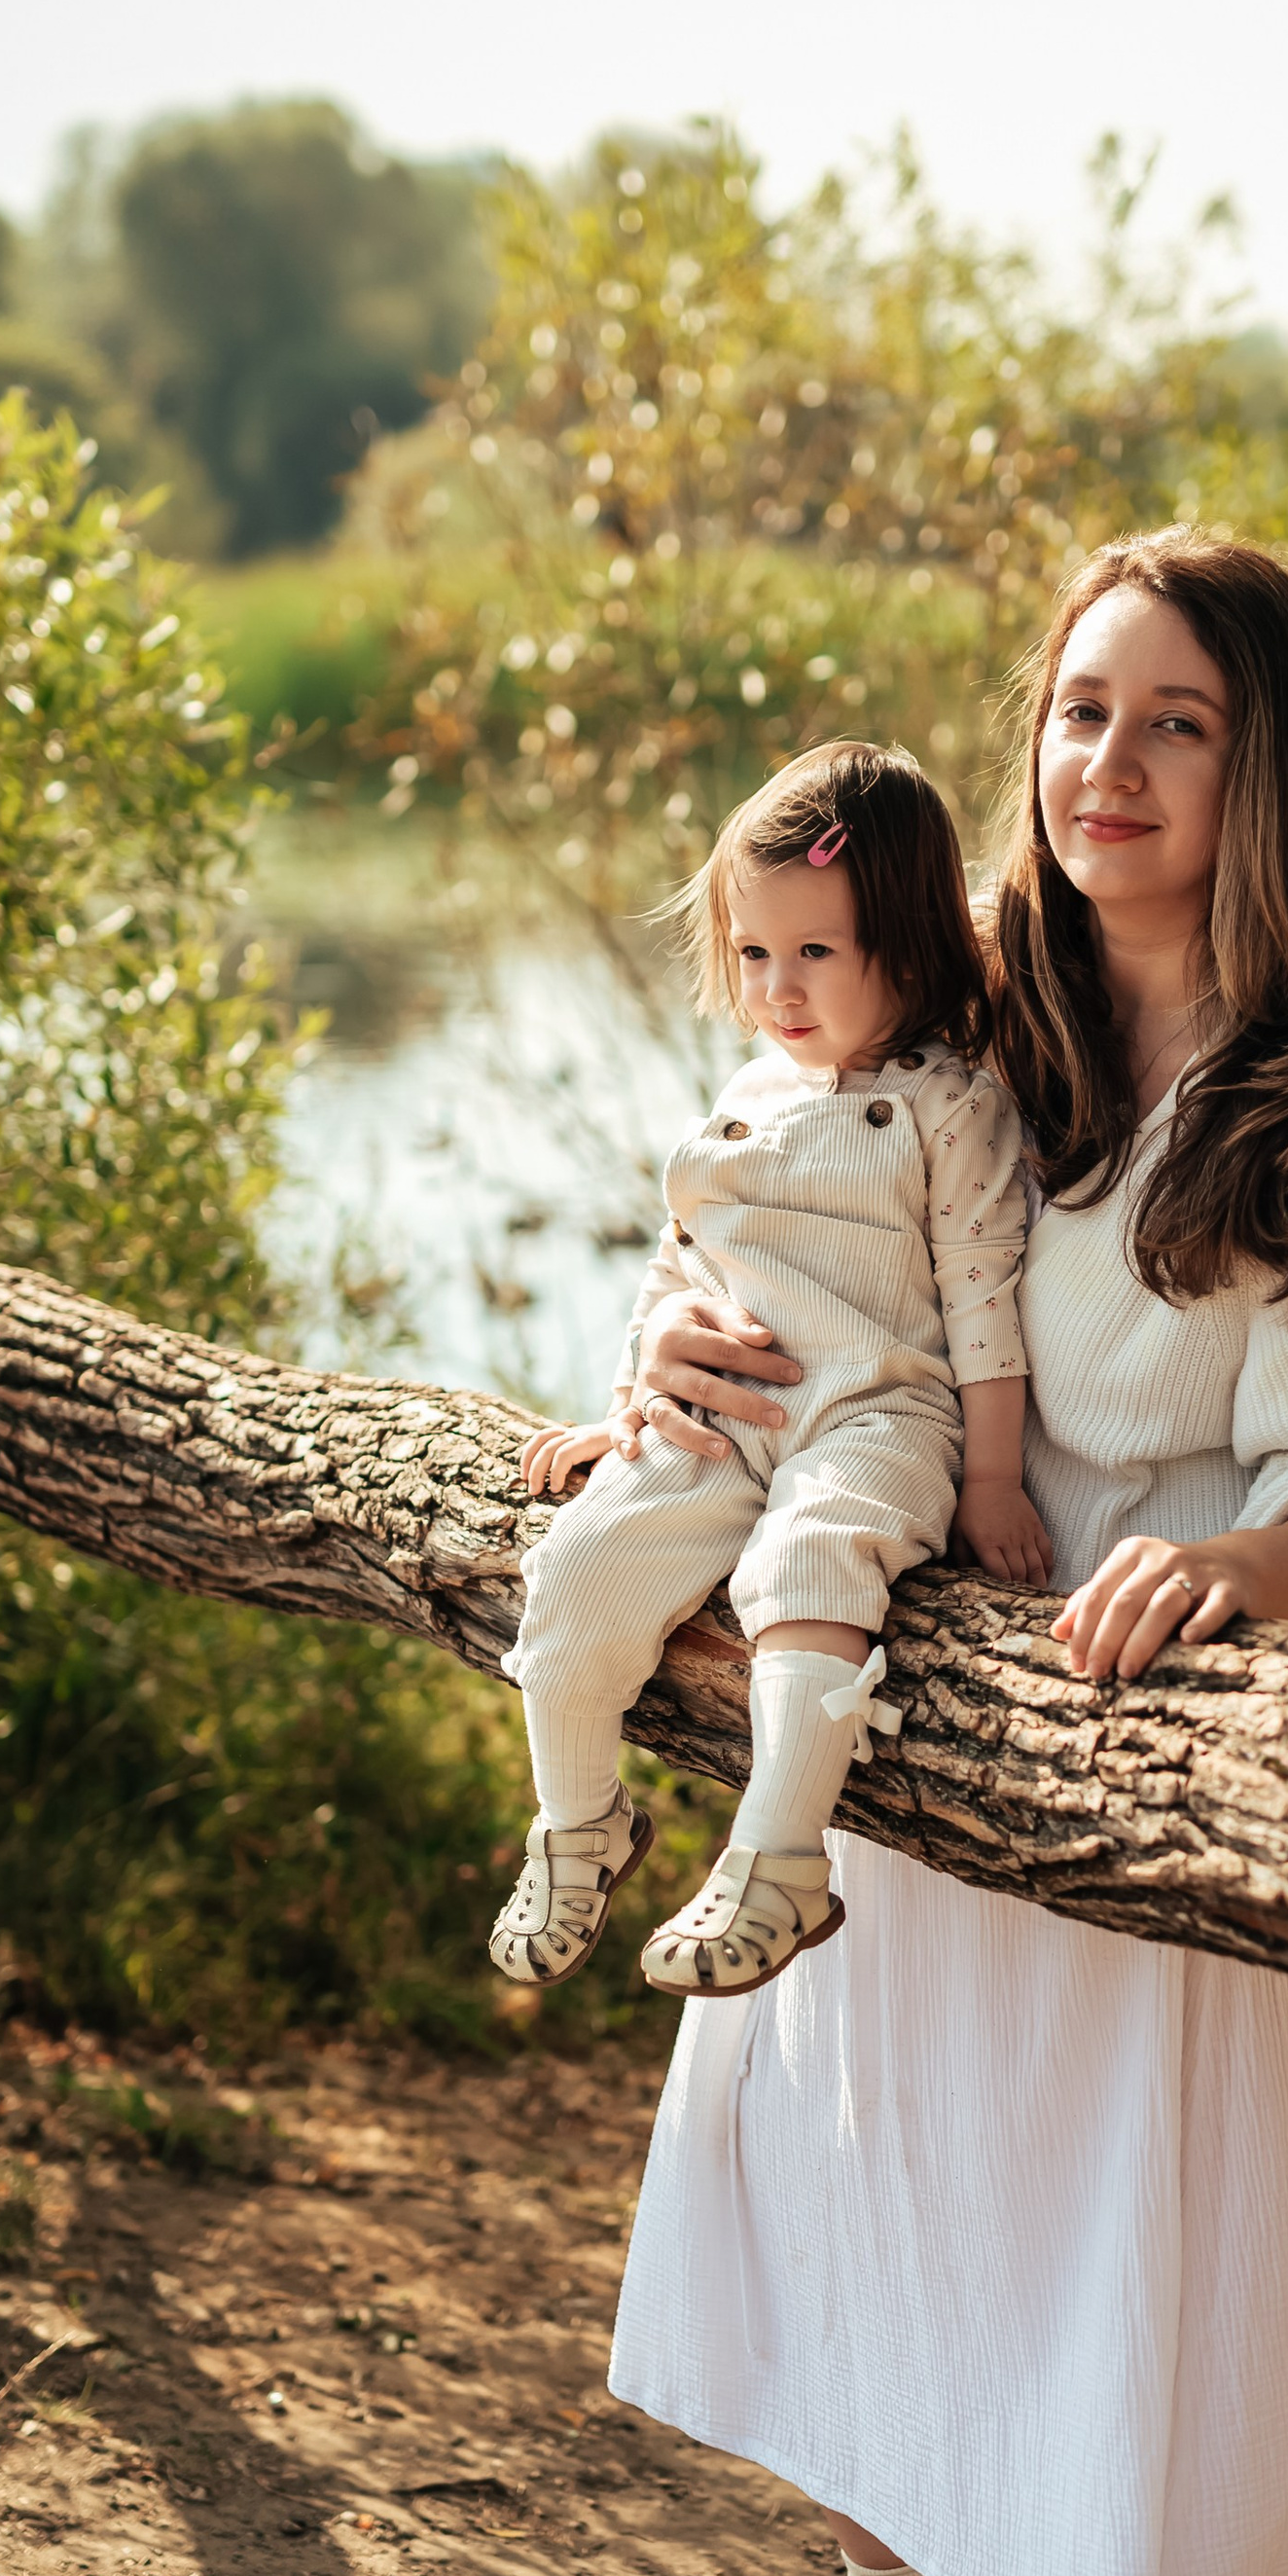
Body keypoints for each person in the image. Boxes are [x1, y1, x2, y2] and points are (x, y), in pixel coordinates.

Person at [607, 532, 1288, 2576]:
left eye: (1175, 720)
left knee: (1193, 2230)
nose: (1103, 761)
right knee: (868, 2139)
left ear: (1269, 771)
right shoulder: (959, 1035)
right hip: (940, 1697)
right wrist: (672, 1371)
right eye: (1079, 707)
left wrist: (1237, 1566)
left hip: (1189, 1748)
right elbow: (780, 1233)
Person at [494, 740, 1047, 2005]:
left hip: (878, 1409)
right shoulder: (747, 1093)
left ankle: (780, 1857)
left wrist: (996, 1478)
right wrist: (634, 1393)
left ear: (904, 948)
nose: (777, 989)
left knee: (803, 1569)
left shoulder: (952, 1103)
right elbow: (683, 1259)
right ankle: (580, 1823)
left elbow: (985, 1299)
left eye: (815, 954)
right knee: (575, 1568)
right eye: (753, 953)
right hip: (732, 1410)